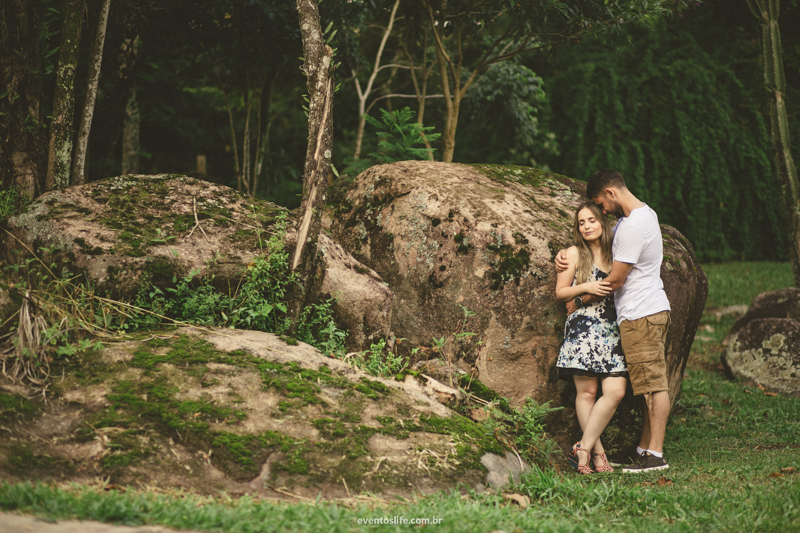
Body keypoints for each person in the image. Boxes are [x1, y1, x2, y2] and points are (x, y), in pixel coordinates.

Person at [556, 169, 671, 473]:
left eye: (599, 208)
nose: (600, 212)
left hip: (641, 312)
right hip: (629, 317)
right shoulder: (638, 219)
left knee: (651, 385)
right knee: (645, 384)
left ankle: (653, 454)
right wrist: (564, 259)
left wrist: (580, 298)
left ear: (610, 193)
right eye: (582, 221)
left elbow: (615, 280)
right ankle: (642, 450)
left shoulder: (632, 226)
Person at [555, 201, 627, 474]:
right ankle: (597, 456)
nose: (586, 226)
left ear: (603, 222)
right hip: (583, 329)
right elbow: (560, 292)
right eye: (581, 222)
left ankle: (582, 447)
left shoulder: (618, 253)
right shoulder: (573, 253)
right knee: (587, 392)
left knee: (616, 392)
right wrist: (585, 286)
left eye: (591, 220)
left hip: (612, 329)